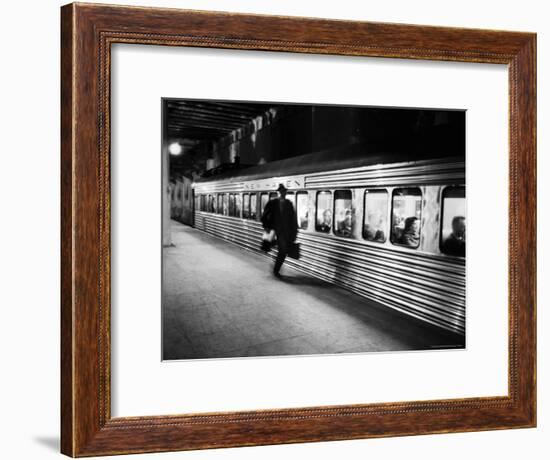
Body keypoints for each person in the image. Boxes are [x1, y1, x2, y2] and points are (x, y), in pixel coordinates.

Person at [261, 184, 298, 277]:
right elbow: (265, 215)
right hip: (274, 230)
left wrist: (294, 231)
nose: (283, 193)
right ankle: (276, 268)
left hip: (284, 232)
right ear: (279, 192)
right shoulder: (273, 203)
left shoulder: (289, 203)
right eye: (281, 191)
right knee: (275, 248)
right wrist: (266, 226)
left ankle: (276, 269)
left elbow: (293, 218)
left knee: (283, 251)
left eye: (284, 191)